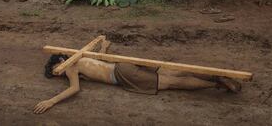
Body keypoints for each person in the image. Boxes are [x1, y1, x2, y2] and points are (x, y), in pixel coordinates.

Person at [33, 39, 241, 114]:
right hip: (123, 63)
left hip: (121, 73)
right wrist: (105, 46)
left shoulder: (71, 66)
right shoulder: (82, 56)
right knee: (173, 71)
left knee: (171, 82)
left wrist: (51, 101)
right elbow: (102, 59)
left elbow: (74, 88)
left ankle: (214, 84)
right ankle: (215, 76)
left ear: (59, 62)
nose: (58, 74)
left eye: (55, 71)